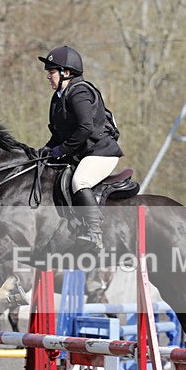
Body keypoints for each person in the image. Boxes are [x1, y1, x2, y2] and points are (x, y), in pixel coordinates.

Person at [38, 45, 123, 249]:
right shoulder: (58, 97)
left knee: (80, 181)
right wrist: (44, 150)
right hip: (82, 153)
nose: (48, 76)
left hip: (101, 153)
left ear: (66, 72)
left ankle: (94, 233)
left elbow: (85, 128)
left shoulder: (79, 92)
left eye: (52, 72)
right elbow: (58, 134)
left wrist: (61, 150)